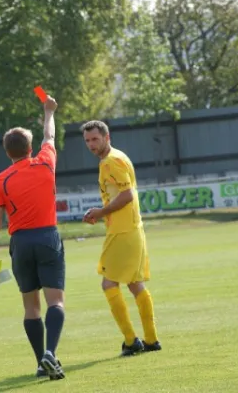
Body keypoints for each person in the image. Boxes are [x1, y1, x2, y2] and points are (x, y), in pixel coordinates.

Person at [0, 95, 66, 380]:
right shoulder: (45, 162)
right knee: (55, 302)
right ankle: (51, 354)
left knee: (31, 307)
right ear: (30, 148)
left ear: (7, 153)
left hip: (20, 243)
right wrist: (48, 111)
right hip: (47, 237)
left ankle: (40, 364)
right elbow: (50, 134)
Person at [80, 120, 161, 356]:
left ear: (107, 137)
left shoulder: (111, 161)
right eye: (87, 141)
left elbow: (127, 195)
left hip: (123, 232)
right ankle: (151, 339)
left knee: (108, 283)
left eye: (95, 139)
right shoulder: (118, 157)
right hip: (132, 229)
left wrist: (101, 212)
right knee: (135, 284)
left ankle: (130, 341)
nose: (91, 144)